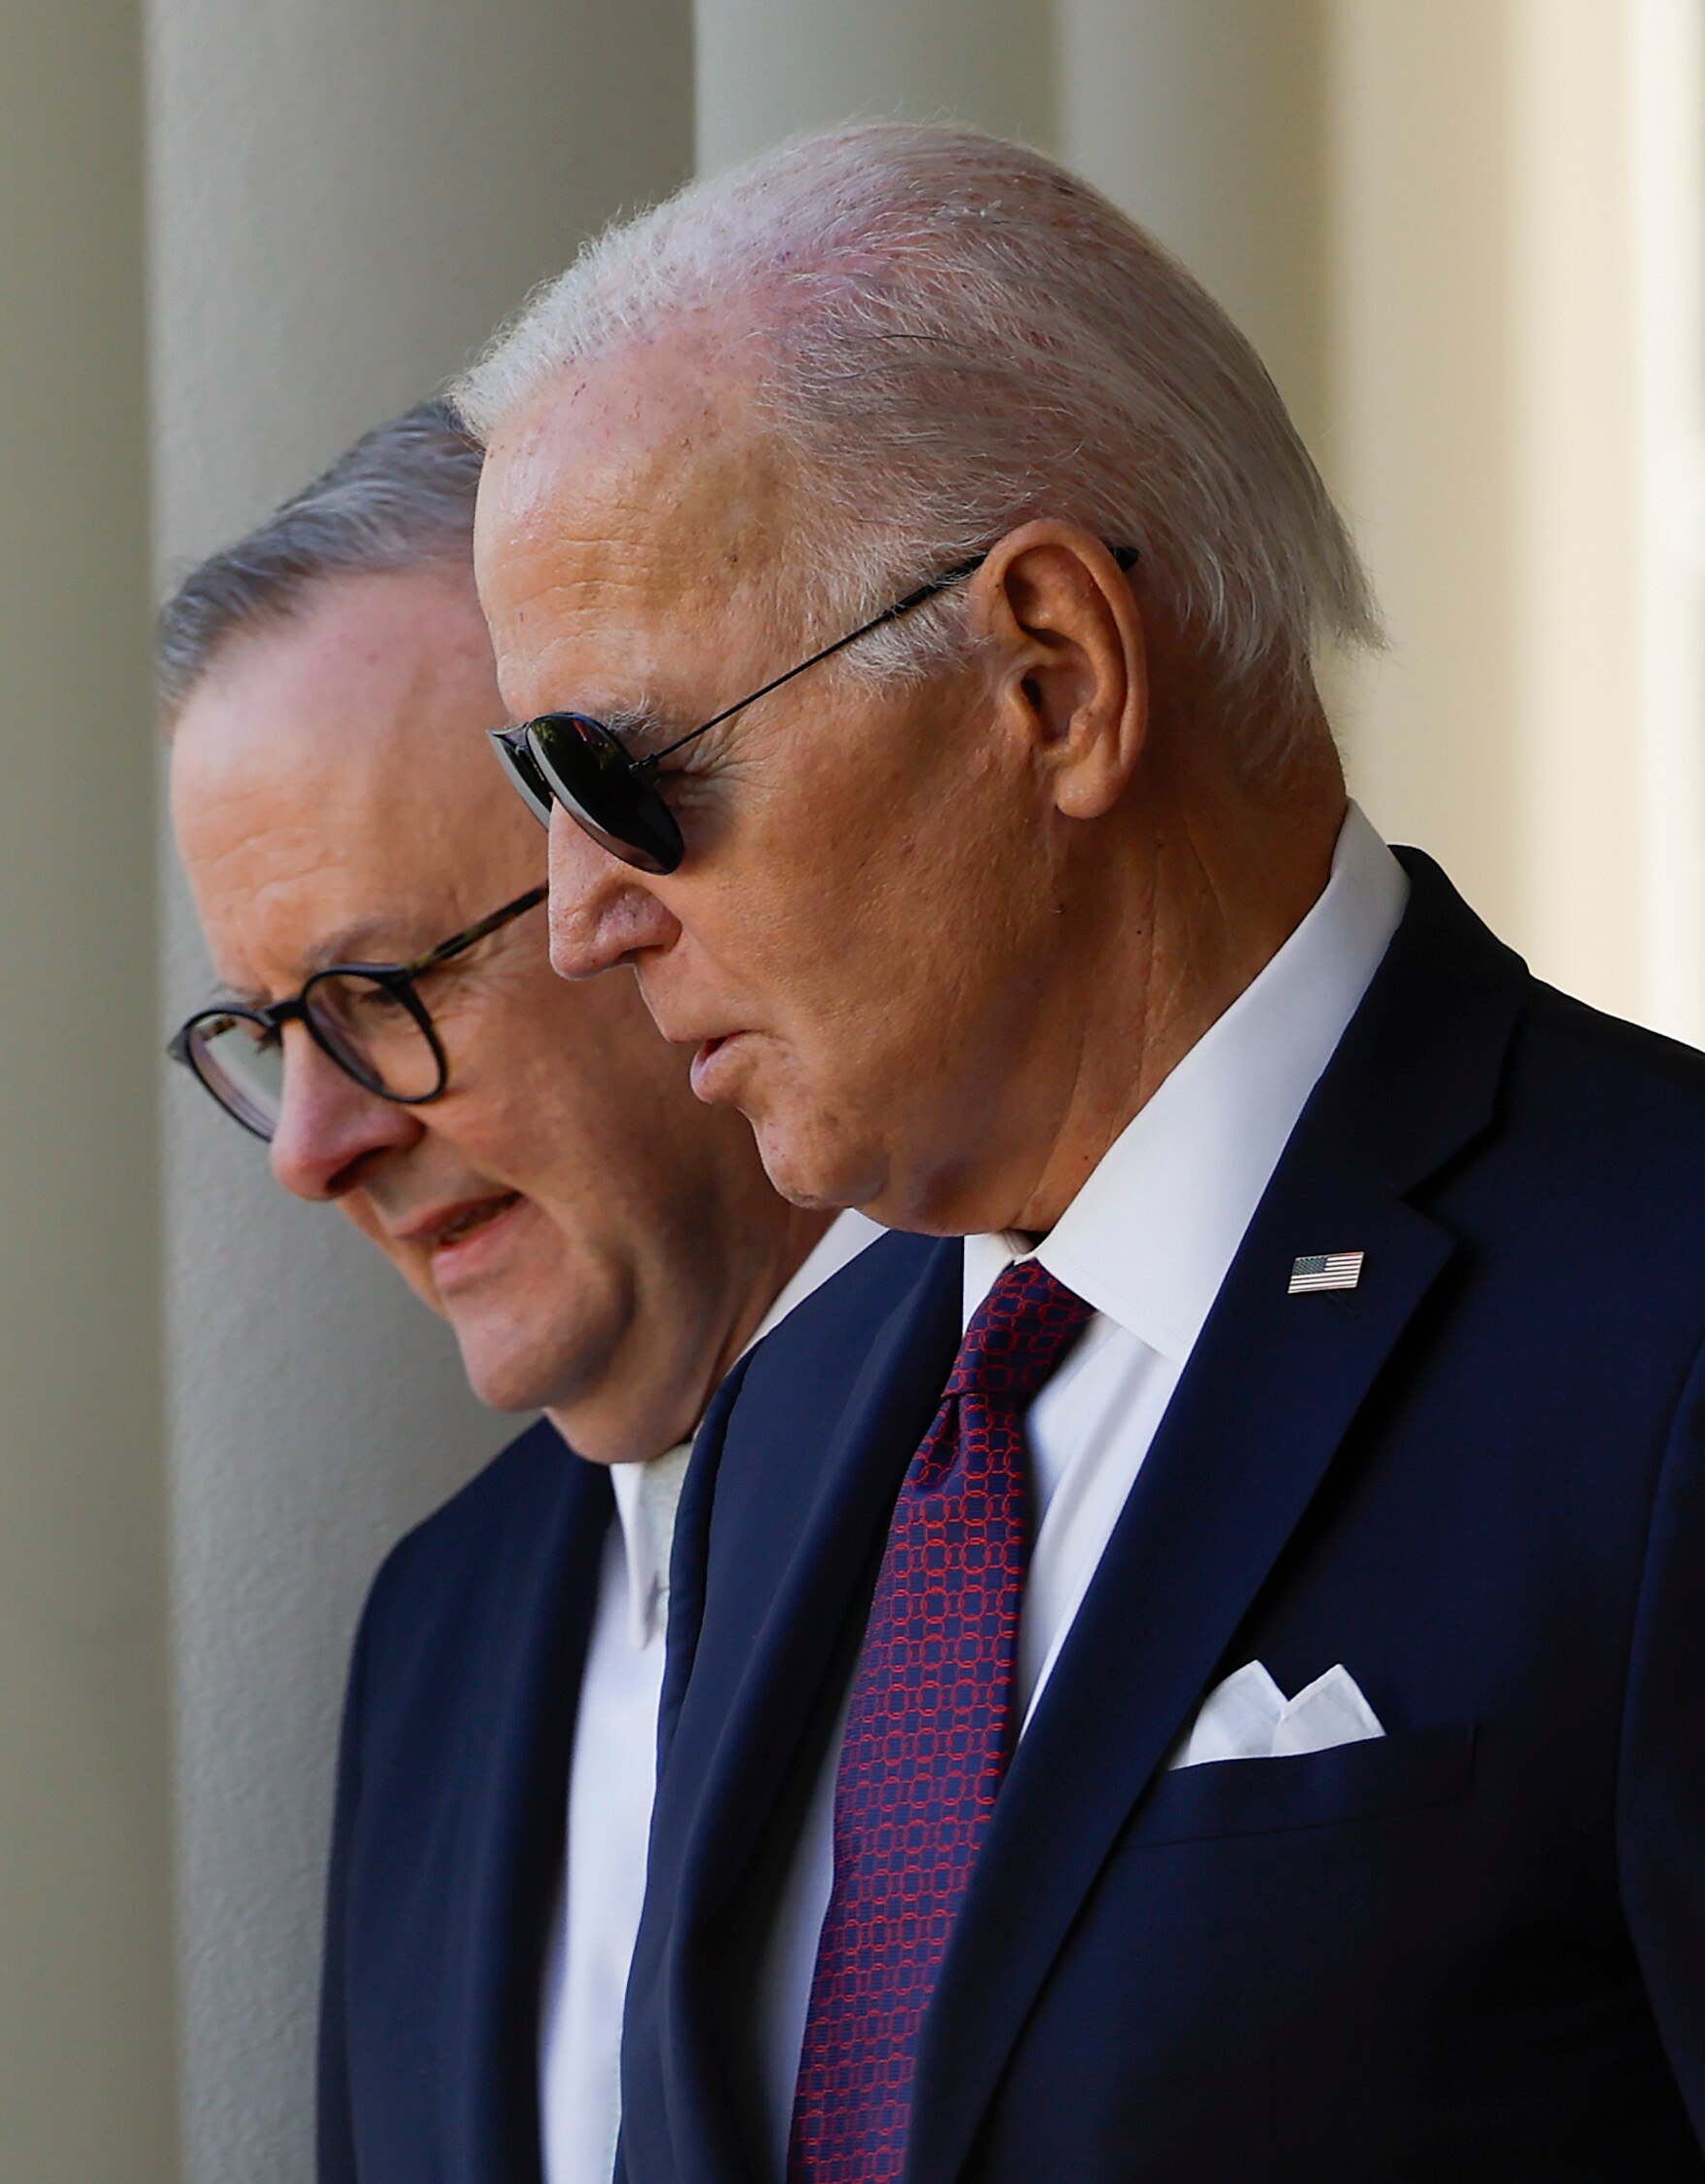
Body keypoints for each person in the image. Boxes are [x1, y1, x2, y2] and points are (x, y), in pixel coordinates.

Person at [456, 124, 1705, 2184]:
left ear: (1051, 674)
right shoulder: (797, 1419)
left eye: (623, 776)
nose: (579, 916)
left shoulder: (1655, 1330)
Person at [162, 404, 878, 2184]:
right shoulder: (439, 1640)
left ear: (642, 879)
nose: (311, 1147)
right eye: (267, 1040)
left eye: (379, 994)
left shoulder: (1090, 1446)